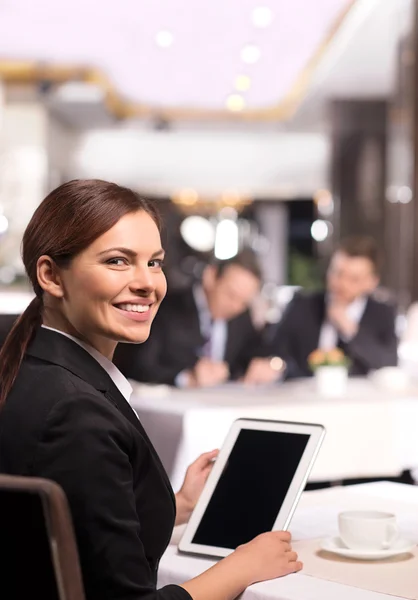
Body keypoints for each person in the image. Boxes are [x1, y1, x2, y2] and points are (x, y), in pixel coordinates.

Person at [0, 180, 301, 600]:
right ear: (51, 275)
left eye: (154, 263)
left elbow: (69, 528)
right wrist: (242, 568)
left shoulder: (33, 368)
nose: (148, 283)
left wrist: (176, 505)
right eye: (119, 261)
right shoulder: (75, 414)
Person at [114, 250, 282, 387]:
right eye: (231, 295)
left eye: (244, 302)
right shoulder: (165, 308)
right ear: (210, 277)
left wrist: (267, 364)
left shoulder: (241, 316)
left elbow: (258, 350)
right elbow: (137, 365)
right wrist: (186, 378)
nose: (235, 307)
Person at [262, 235, 398, 379]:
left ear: (372, 283)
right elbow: (272, 350)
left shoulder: (383, 313)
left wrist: (349, 329)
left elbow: (389, 363)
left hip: (357, 399)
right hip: (302, 395)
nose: (342, 284)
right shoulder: (302, 304)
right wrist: (277, 366)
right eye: (337, 273)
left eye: (354, 279)